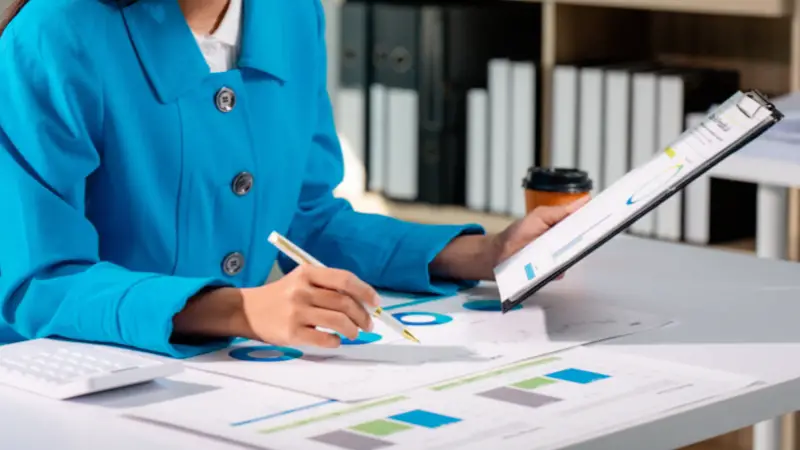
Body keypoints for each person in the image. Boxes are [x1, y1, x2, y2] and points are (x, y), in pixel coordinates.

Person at [0, 0, 586, 358]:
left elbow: (306, 219)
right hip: (75, 385)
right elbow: (41, 281)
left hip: (234, 381)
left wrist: (486, 252)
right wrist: (241, 312)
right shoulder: (54, 35)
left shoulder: (290, 11)